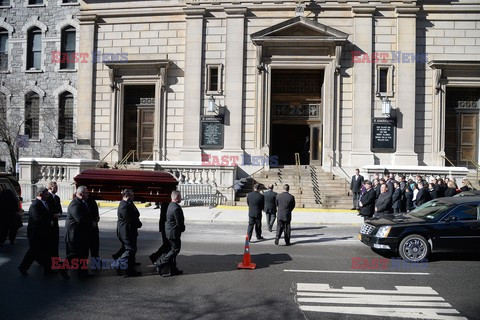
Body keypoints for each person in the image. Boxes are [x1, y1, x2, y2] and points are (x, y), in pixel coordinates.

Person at [18, 187, 61, 277]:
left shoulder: (46, 203)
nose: (48, 195)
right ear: (40, 194)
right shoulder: (35, 205)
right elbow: (37, 218)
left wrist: (54, 216)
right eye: (46, 194)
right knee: (33, 251)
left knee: (47, 250)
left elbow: (48, 214)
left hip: (46, 232)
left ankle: (48, 269)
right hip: (36, 233)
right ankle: (23, 267)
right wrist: (49, 222)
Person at [65, 186, 93, 278]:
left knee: (83, 254)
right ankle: (63, 269)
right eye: (86, 193)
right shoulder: (75, 204)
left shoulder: (82, 202)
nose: (88, 194)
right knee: (74, 254)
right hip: (75, 234)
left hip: (81, 233)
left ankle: (82, 273)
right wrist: (91, 223)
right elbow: (80, 219)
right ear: (81, 194)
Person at [113, 189, 142, 277]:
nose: (133, 197)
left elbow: (136, 213)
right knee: (130, 249)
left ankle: (128, 265)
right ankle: (119, 265)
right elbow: (129, 219)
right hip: (126, 232)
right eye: (132, 196)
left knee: (130, 249)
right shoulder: (123, 206)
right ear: (126, 196)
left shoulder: (129, 203)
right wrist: (138, 224)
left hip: (131, 231)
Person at [158, 190, 185, 277]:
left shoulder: (170, 205)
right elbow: (179, 223)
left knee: (172, 250)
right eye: (180, 196)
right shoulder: (176, 208)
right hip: (173, 233)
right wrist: (182, 228)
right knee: (175, 250)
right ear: (177, 198)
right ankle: (160, 263)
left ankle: (173, 269)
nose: (181, 198)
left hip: (169, 232)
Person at [46, 181, 62, 258]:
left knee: (55, 241)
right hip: (49, 222)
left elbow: (60, 209)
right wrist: (52, 215)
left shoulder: (57, 198)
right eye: (55, 187)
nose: (57, 189)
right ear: (50, 187)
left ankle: (55, 258)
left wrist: (59, 214)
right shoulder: (46, 197)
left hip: (55, 222)